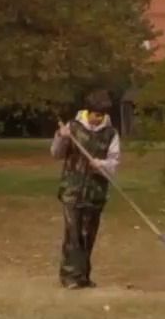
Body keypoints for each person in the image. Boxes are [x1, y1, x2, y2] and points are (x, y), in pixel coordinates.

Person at [50, 90, 122, 289]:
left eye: (102, 115)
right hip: (72, 190)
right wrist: (62, 137)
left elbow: (114, 162)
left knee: (87, 235)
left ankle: (83, 276)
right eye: (96, 114)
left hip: (95, 192)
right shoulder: (72, 128)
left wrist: (102, 165)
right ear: (88, 111)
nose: (98, 119)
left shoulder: (111, 134)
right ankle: (69, 276)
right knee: (73, 235)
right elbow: (56, 154)